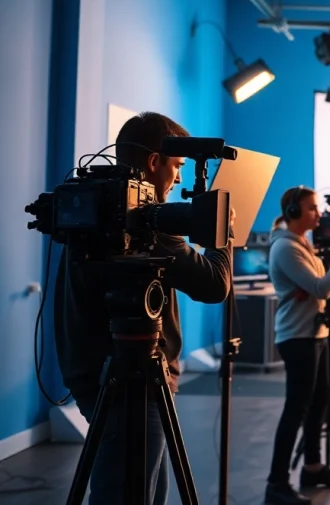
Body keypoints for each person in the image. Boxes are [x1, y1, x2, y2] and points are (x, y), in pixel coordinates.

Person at [54, 112, 234, 505]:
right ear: (155, 162)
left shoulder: (101, 204)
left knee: (151, 490)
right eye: (177, 167)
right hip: (127, 379)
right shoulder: (141, 223)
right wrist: (224, 234)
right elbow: (214, 284)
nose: (180, 180)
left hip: (96, 372)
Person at [264, 186, 330, 505]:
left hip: (316, 333)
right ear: (294, 212)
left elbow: (322, 287)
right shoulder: (286, 248)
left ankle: (312, 467)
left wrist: (320, 281)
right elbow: (322, 288)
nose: (319, 215)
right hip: (298, 337)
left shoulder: (303, 245)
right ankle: (276, 484)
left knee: (318, 403)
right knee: (295, 409)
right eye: (312, 209)